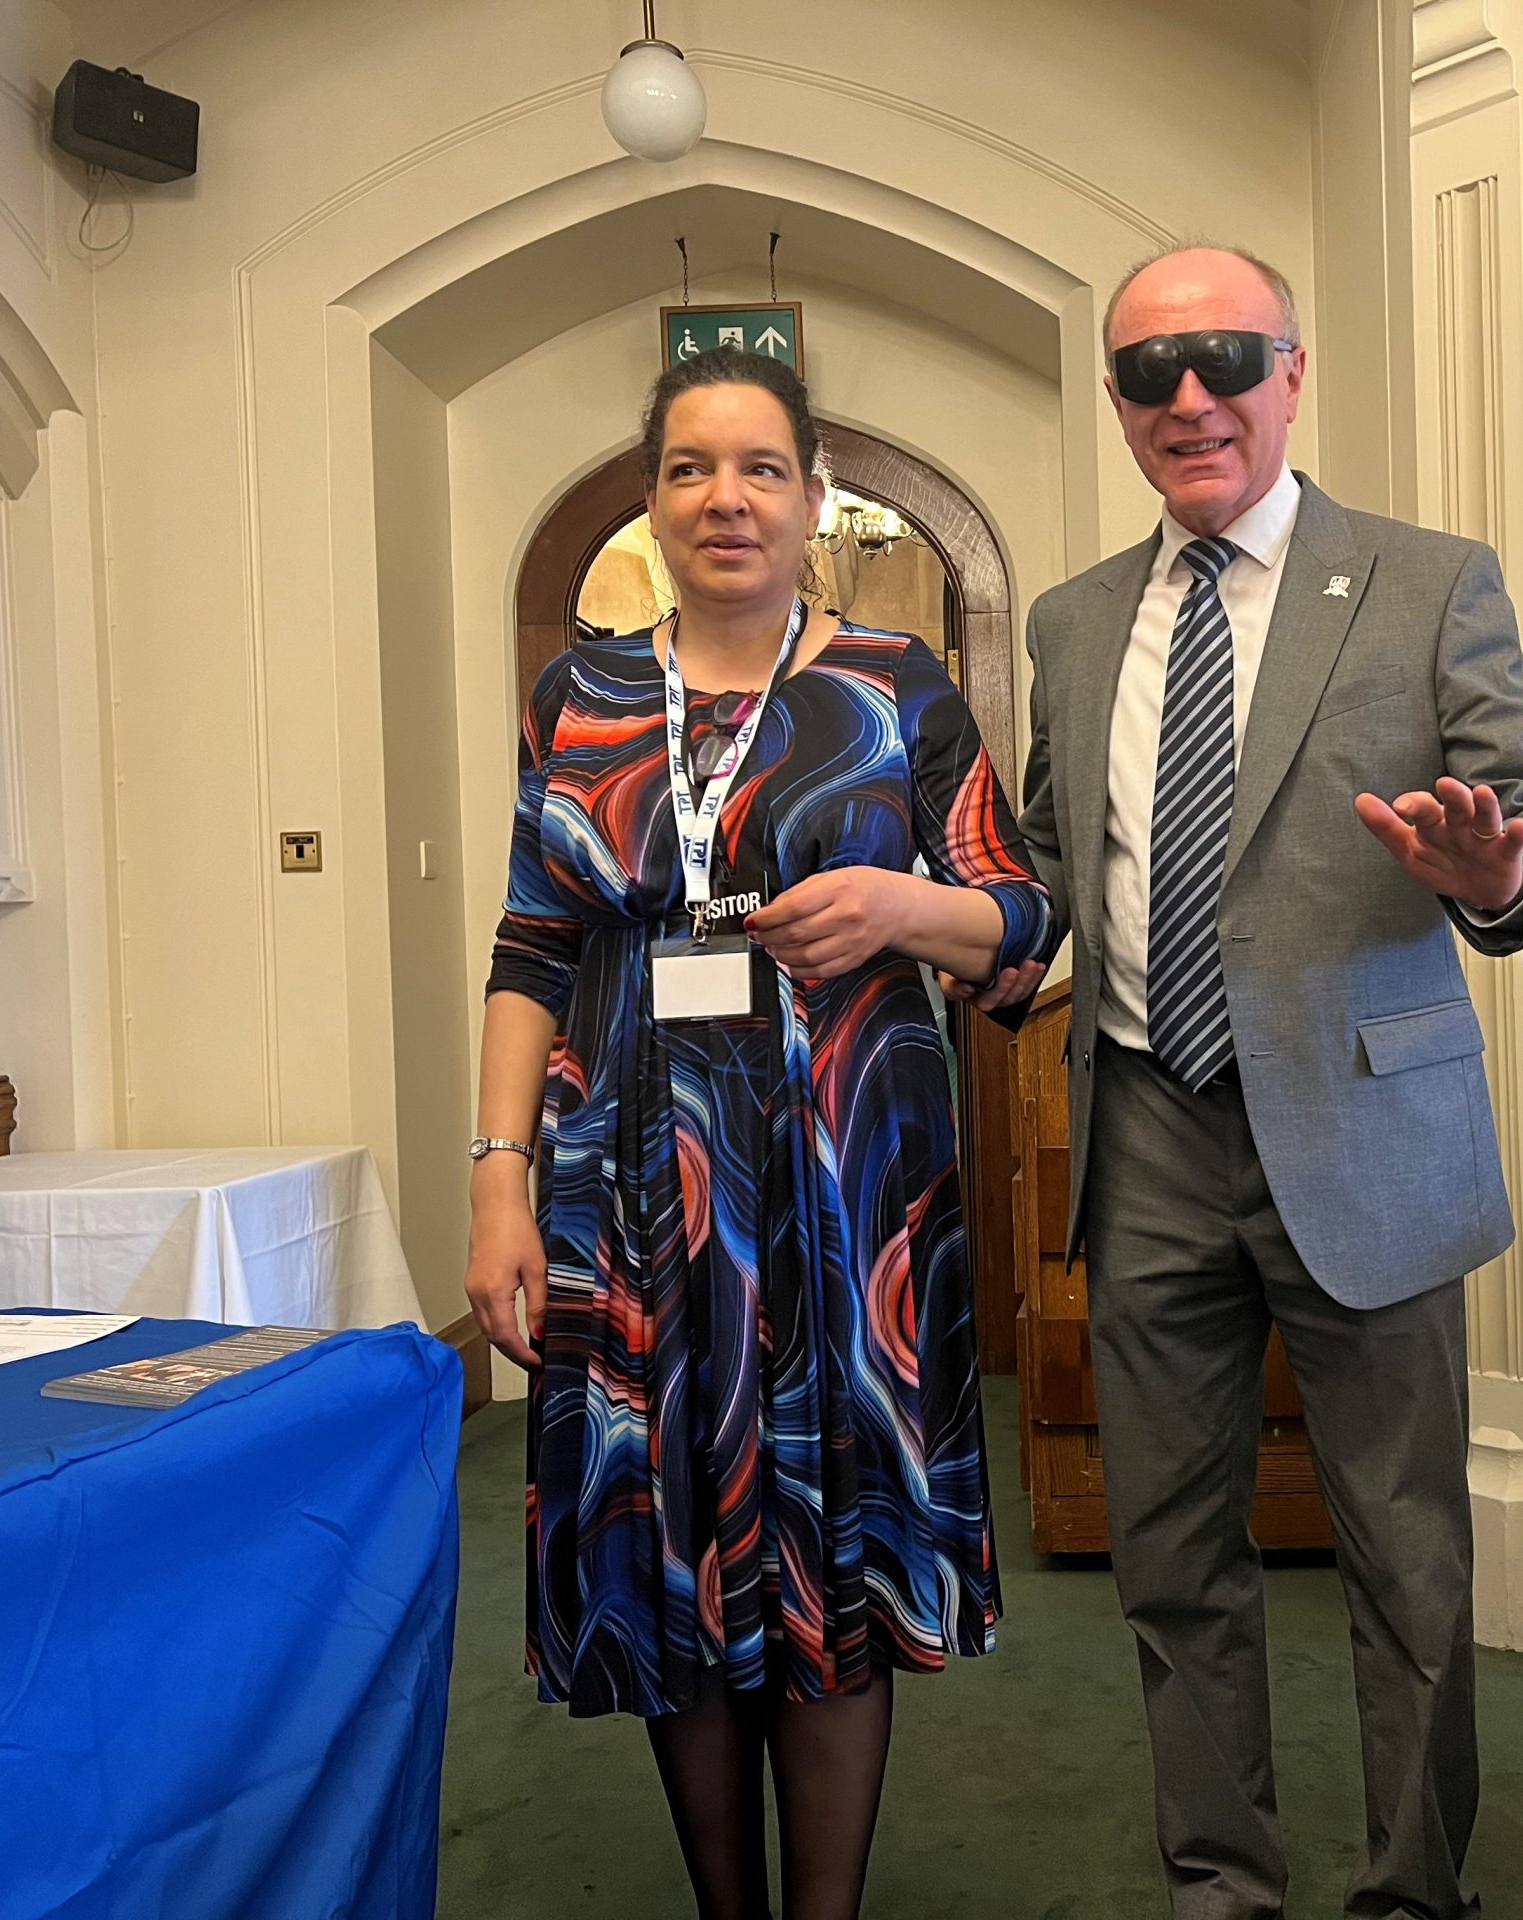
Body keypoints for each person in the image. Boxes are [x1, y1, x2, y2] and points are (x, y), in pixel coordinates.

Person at [952, 246, 1523, 1919]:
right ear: (1118, 403)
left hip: (1367, 1135)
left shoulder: (1424, 581)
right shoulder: (1072, 620)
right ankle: (1220, 1888)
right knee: (1172, 1558)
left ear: (1291, 374)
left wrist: (1494, 877)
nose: (1190, 397)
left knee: (1405, 1559)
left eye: (1225, 356)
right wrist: (958, 928)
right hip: (1146, 1129)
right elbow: (1053, 864)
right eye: (1148, 370)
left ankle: (1410, 1894)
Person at [467, 346, 1055, 1920]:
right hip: (628, 1186)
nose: (725, 498)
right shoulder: (578, 694)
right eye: (687, 469)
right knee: (677, 1544)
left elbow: (1022, 918)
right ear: (649, 500)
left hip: (849, 1196)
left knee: (833, 1550)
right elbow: (532, 942)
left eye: (762, 468)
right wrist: (497, 1181)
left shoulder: (894, 683)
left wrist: (900, 904)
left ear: (813, 496)